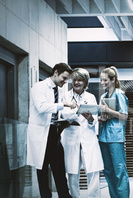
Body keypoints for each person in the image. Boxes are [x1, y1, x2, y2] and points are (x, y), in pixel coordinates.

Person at [26, 63, 76, 198]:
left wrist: (74, 115)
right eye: (64, 78)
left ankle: (65, 196)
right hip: (41, 135)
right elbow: (42, 107)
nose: (65, 82)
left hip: (54, 133)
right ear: (55, 73)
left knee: (59, 168)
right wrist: (63, 104)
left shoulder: (58, 90)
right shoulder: (38, 87)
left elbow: (57, 112)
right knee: (42, 172)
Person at [60, 68, 104, 198]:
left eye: (79, 80)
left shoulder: (90, 97)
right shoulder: (65, 96)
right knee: (72, 173)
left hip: (88, 137)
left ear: (85, 82)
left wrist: (90, 118)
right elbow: (63, 113)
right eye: (74, 79)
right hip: (71, 137)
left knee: (93, 171)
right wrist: (77, 111)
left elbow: (95, 118)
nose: (76, 82)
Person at [98, 66, 130, 198]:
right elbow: (103, 116)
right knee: (108, 171)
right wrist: (101, 117)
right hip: (104, 137)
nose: (103, 83)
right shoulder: (104, 96)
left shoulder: (119, 94)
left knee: (119, 170)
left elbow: (124, 115)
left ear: (113, 79)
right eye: (101, 80)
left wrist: (108, 111)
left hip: (116, 137)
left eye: (105, 80)